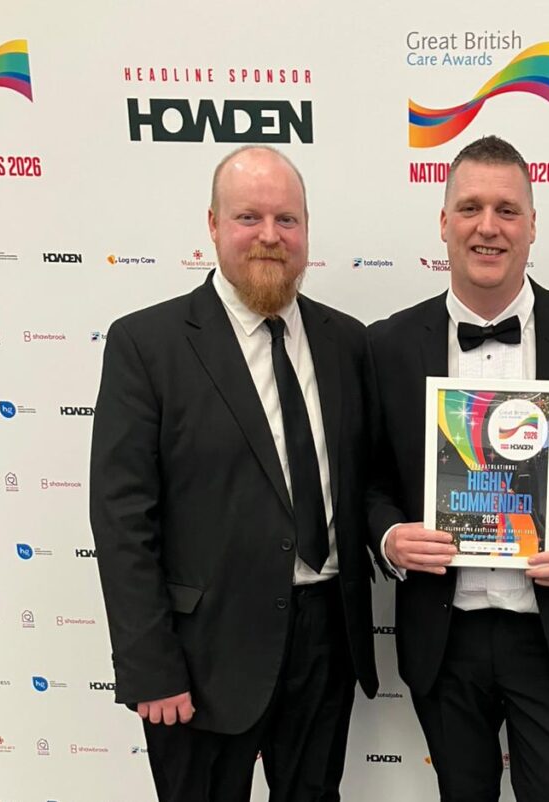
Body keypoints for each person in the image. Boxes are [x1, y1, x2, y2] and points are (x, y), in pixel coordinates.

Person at [368, 135, 549, 801]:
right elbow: (371, 479)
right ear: (443, 223)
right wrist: (389, 537)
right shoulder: (388, 344)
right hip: (444, 635)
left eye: (506, 209)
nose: (487, 227)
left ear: (532, 225)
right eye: (469, 207)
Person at [90, 146, 379, 802]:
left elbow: (366, 480)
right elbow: (121, 518)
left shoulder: (346, 342)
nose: (270, 236)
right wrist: (149, 667)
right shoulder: (148, 345)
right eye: (249, 217)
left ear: (307, 230)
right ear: (214, 225)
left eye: (288, 219)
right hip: (200, 658)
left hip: (325, 644)